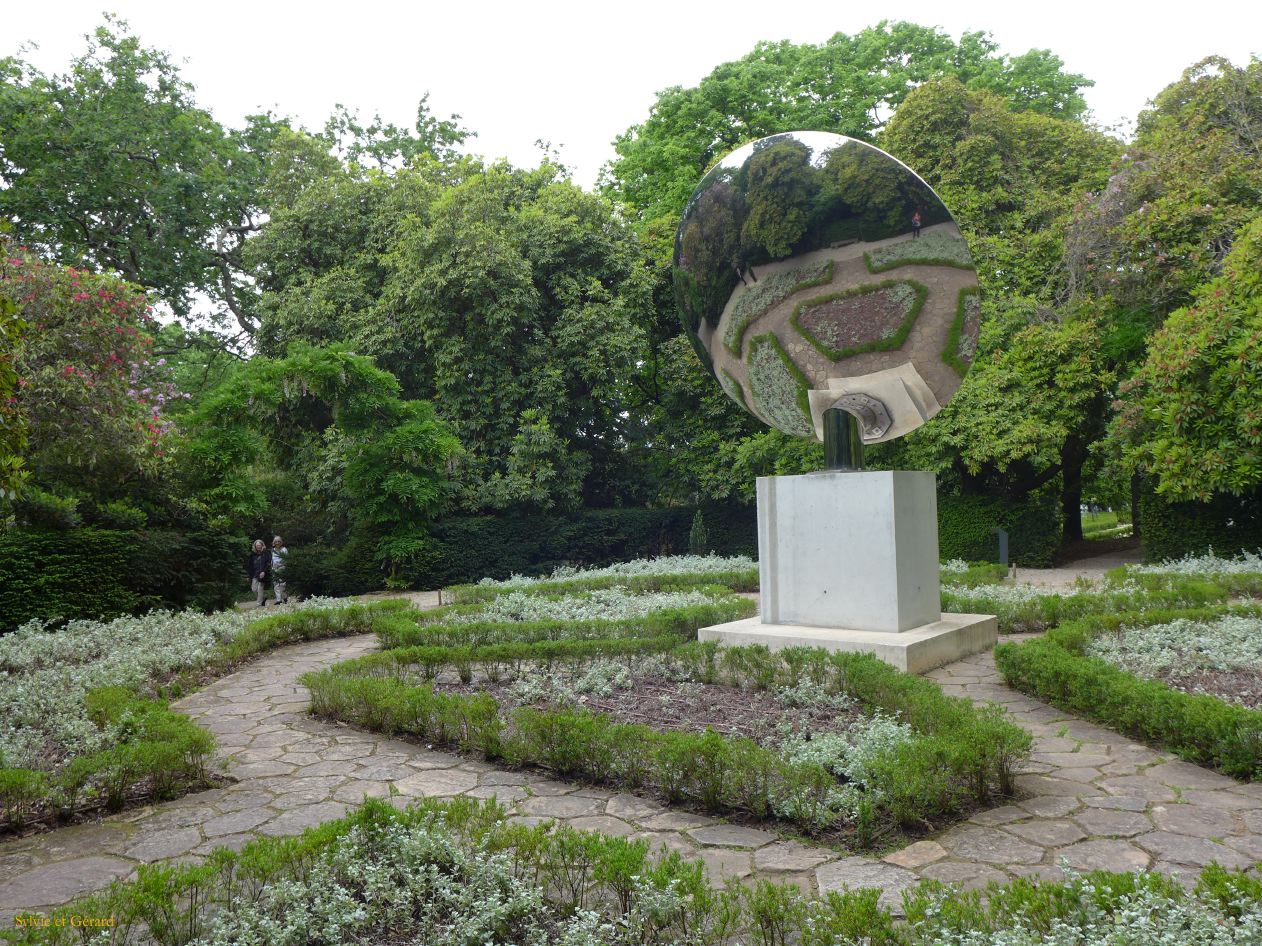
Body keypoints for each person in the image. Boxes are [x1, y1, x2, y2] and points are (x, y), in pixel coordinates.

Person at [247, 539, 271, 607]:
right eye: (257, 545)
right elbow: (250, 566)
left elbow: (268, 563)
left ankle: (259, 603)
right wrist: (249, 576)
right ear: (255, 546)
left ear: (262, 545)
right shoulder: (252, 555)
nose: (258, 546)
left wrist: (264, 571)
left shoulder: (266, 553)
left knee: (260, 588)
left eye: (259, 545)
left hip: (263, 574)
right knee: (254, 589)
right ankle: (263, 598)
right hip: (255, 574)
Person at [271, 535, 289, 604]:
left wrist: (284, 567)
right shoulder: (273, 550)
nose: (277, 543)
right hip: (274, 569)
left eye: (279, 541)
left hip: (282, 568)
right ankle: (278, 600)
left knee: (282, 584)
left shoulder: (284, 549)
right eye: (276, 541)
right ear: (274, 542)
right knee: (275, 584)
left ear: (281, 542)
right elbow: (272, 560)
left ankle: (285, 597)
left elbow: (286, 559)